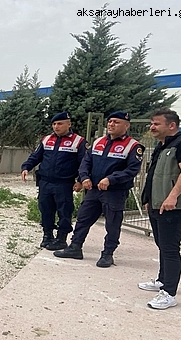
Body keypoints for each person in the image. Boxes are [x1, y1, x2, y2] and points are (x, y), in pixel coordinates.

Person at [54, 111, 145, 267]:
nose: (111, 124)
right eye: (110, 121)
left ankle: (107, 254)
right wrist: (84, 177)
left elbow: (131, 170)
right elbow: (86, 162)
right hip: (94, 190)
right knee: (83, 219)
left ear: (126, 125)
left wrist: (111, 179)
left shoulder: (133, 146)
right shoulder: (98, 142)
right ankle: (75, 247)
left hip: (114, 192)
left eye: (116, 122)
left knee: (112, 224)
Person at [138, 108, 181, 309]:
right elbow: (154, 174)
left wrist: (172, 196)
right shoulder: (162, 146)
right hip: (158, 205)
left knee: (170, 248)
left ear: (171, 125)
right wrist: (148, 198)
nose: (152, 127)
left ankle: (169, 293)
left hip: (175, 206)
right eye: (152, 123)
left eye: (156, 123)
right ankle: (162, 280)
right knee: (162, 245)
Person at [21, 111, 86, 250]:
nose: (56, 126)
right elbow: (36, 156)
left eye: (60, 123)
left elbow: (84, 163)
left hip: (64, 183)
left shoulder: (78, 141)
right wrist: (26, 167)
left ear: (69, 124)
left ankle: (61, 238)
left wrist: (80, 180)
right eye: (54, 124)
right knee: (45, 209)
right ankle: (47, 235)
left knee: (64, 211)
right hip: (45, 182)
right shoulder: (46, 139)